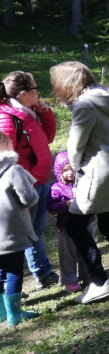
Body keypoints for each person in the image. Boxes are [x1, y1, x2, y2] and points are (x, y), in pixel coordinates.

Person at [50, 62, 109, 304]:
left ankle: (99, 281)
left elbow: (75, 147)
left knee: (75, 225)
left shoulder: (84, 104)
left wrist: (75, 168)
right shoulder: (108, 96)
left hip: (98, 172)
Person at [0, 71, 59, 289]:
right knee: (25, 233)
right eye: (35, 89)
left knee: (37, 228)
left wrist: (45, 113)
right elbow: (6, 158)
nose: (38, 93)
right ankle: (37, 275)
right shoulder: (7, 117)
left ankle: (41, 273)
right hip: (26, 183)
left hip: (41, 178)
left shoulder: (29, 112)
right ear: (23, 94)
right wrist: (23, 183)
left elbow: (49, 138)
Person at [0, 131, 40, 326]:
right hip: (12, 230)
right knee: (14, 270)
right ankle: (14, 314)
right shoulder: (13, 170)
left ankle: (1, 311)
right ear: (7, 143)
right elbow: (29, 198)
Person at [47, 152, 93, 293]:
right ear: (58, 171)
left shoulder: (83, 182)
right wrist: (65, 204)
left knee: (87, 252)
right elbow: (51, 207)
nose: (69, 173)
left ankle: (89, 276)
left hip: (85, 224)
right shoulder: (56, 188)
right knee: (68, 255)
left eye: (72, 169)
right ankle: (69, 281)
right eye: (65, 170)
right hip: (66, 227)